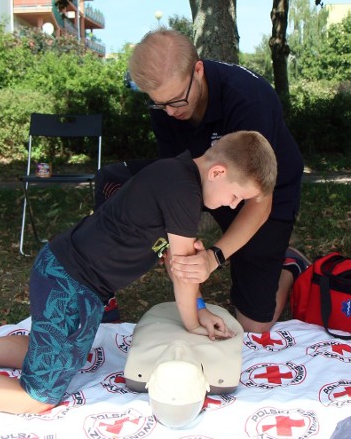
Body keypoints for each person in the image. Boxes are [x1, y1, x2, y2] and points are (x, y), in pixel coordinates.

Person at [0, 130, 277, 414]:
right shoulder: (184, 191)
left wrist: (199, 309)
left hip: (76, 281)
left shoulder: (179, 175)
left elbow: (178, 262)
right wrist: (193, 321)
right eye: (237, 195)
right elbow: (185, 272)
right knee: (40, 396)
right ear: (219, 172)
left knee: (53, 354)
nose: (233, 206)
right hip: (70, 282)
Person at [100, 29, 307, 333]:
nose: (170, 112)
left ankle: (289, 267)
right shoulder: (167, 103)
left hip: (261, 189)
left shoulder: (248, 99)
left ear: (198, 70)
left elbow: (259, 201)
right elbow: (171, 180)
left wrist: (214, 257)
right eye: (160, 104)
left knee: (253, 325)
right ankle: (99, 291)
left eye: (177, 101)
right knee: (113, 180)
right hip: (202, 177)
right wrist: (171, 247)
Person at [123, 301, 244, 428]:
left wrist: (198, 308)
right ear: (206, 385)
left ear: (149, 383)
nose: (178, 351)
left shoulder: (136, 372)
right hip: (215, 317)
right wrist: (199, 307)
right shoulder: (225, 376)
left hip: (160, 314)